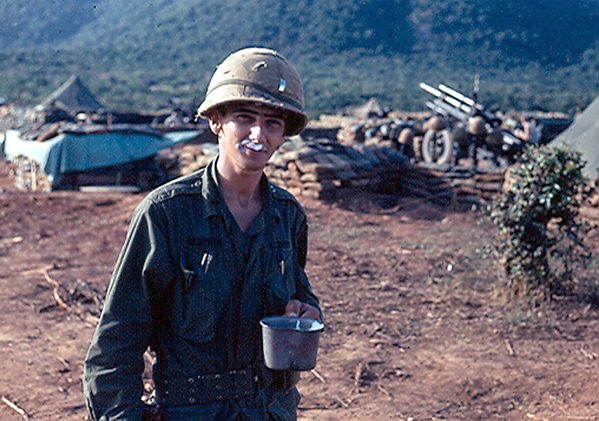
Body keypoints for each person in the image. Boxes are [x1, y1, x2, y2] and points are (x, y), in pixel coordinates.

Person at [83, 47, 322, 421]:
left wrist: (305, 309)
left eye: (273, 123)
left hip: (269, 411)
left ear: (283, 135)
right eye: (245, 118)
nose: (258, 133)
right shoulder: (167, 213)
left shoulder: (287, 217)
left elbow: (298, 290)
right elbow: (116, 345)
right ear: (216, 121)